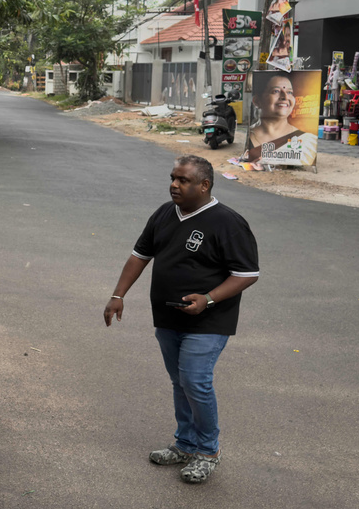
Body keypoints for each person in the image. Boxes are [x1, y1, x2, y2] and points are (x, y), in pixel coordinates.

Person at [103, 155, 259, 484]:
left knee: (196, 382)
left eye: (183, 180)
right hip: (168, 317)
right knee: (180, 383)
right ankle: (185, 444)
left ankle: (208, 451)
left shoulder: (228, 223)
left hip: (209, 320)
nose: (174, 184)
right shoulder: (163, 213)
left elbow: (246, 274)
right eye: (173, 178)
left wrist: (209, 298)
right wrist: (118, 295)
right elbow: (139, 256)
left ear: (204, 185)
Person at [244, 73, 317, 165]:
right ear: (257, 101)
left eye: (289, 92)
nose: (285, 97)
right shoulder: (250, 135)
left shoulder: (308, 141)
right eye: (276, 91)